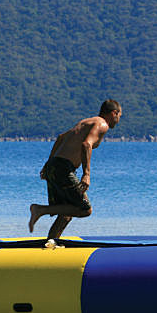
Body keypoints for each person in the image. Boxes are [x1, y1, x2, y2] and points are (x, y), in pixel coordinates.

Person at [28, 99, 122, 241]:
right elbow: (86, 145)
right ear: (114, 113)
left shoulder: (87, 122)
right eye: (120, 116)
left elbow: (61, 138)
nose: (119, 120)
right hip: (63, 168)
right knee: (85, 209)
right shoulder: (102, 124)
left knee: (67, 211)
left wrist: (48, 164)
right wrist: (86, 174)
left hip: (55, 165)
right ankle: (40, 210)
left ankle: (51, 242)